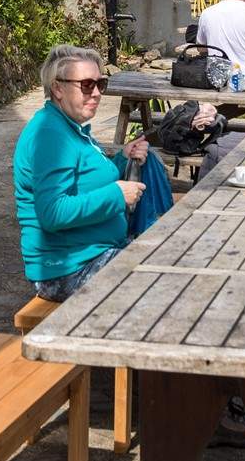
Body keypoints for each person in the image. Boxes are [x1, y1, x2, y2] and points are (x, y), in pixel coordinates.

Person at [14, 46, 147, 301]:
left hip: (92, 254)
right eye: (86, 85)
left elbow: (85, 180)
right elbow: (53, 212)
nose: (96, 93)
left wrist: (122, 159)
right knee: (169, 280)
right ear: (58, 88)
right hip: (67, 270)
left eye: (100, 84)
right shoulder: (51, 135)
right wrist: (117, 196)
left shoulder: (67, 126)